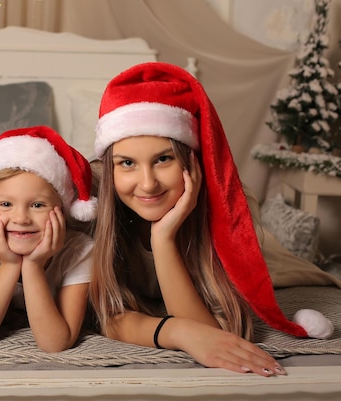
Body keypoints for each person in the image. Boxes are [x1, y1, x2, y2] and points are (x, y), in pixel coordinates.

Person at [89, 62, 333, 376]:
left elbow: (219, 330)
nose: (148, 183)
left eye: (164, 159)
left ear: (191, 160)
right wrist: (178, 332)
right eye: (127, 163)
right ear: (109, 168)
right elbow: (106, 315)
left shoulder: (229, 213)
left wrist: (163, 239)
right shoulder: (92, 209)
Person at [0, 126, 97, 352]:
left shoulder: (79, 250)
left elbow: (55, 342)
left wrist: (33, 265)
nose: (20, 218)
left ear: (62, 208)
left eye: (37, 205)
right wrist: (9, 265)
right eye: (6, 204)